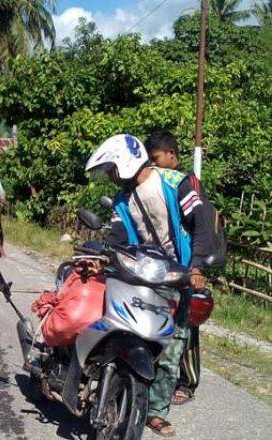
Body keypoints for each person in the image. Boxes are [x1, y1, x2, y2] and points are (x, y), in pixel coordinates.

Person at [86, 134, 217, 438]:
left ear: (126, 162)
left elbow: (202, 221)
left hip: (178, 278)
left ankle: (155, 411)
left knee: (171, 347)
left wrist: (197, 265)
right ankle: (114, 384)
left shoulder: (176, 182)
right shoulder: (122, 200)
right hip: (142, 274)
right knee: (125, 331)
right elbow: (118, 236)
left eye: (112, 169)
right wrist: (102, 256)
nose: (110, 176)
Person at [145, 129, 202, 406]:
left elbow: (196, 224)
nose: (153, 164)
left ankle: (188, 382)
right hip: (161, 266)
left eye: (156, 158)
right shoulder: (155, 181)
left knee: (186, 327)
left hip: (186, 264)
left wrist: (196, 265)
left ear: (171, 155)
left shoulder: (186, 182)